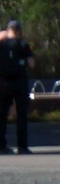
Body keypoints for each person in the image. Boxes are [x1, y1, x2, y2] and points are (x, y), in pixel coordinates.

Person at [0, 17, 32, 152]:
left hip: (4, 83)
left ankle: (2, 145)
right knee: (21, 115)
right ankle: (22, 146)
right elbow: (31, 63)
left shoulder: (2, 45)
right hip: (20, 82)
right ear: (19, 31)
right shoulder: (23, 44)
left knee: (2, 114)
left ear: (8, 30)